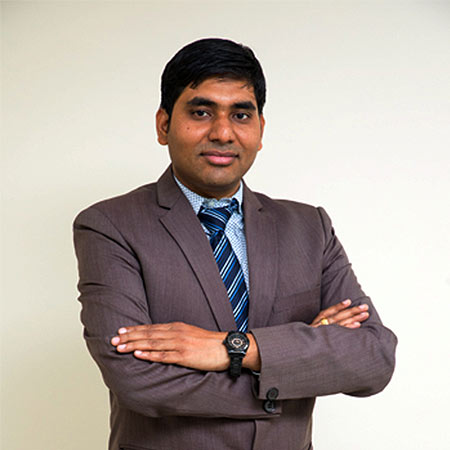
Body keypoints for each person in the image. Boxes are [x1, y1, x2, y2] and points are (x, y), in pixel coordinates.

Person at [73, 38, 397, 450]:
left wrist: (233, 348)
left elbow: (373, 357)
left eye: (241, 115)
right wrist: (293, 366)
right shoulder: (110, 226)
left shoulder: (309, 227)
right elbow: (137, 381)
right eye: (201, 112)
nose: (223, 133)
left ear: (260, 130)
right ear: (163, 125)